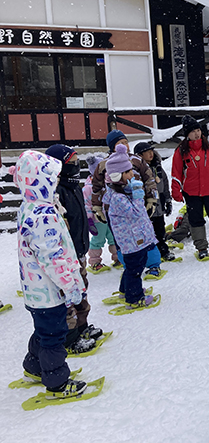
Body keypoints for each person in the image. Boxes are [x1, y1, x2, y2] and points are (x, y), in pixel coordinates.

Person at [13, 150, 87, 399]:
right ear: (39, 180)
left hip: (36, 291)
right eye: (51, 178)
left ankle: (34, 367)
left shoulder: (29, 207)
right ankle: (56, 382)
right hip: (49, 290)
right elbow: (53, 259)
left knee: (43, 331)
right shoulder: (42, 215)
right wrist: (71, 285)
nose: (55, 181)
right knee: (54, 336)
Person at [45, 145, 102, 353]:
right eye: (71, 162)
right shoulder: (55, 192)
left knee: (81, 292)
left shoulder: (74, 186)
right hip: (64, 258)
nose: (75, 166)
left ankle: (82, 327)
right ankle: (69, 338)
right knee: (67, 297)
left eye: (77, 161)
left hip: (79, 251)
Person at [102, 145, 157, 308]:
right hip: (132, 242)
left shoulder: (122, 192)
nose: (133, 174)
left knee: (132, 267)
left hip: (134, 238)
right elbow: (136, 212)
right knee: (135, 269)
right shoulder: (118, 197)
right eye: (128, 172)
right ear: (117, 176)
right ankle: (134, 298)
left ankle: (126, 290)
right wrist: (139, 195)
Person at [171, 115, 209, 260]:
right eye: (193, 131)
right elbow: (176, 173)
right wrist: (175, 190)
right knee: (196, 220)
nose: (197, 133)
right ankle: (202, 247)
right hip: (191, 193)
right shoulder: (181, 151)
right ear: (187, 135)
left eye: (198, 130)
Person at [133, 141, 176, 262]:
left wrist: (168, 200)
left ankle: (163, 250)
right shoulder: (137, 170)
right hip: (146, 205)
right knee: (147, 231)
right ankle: (150, 253)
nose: (150, 154)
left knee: (160, 228)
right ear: (140, 155)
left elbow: (165, 185)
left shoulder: (158, 167)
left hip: (159, 202)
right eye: (147, 152)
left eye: (151, 151)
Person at [83, 155, 120, 272]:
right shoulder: (88, 188)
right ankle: (94, 261)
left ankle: (118, 258)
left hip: (111, 216)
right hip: (97, 219)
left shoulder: (108, 184)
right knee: (98, 240)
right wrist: (89, 219)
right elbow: (87, 204)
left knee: (114, 238)